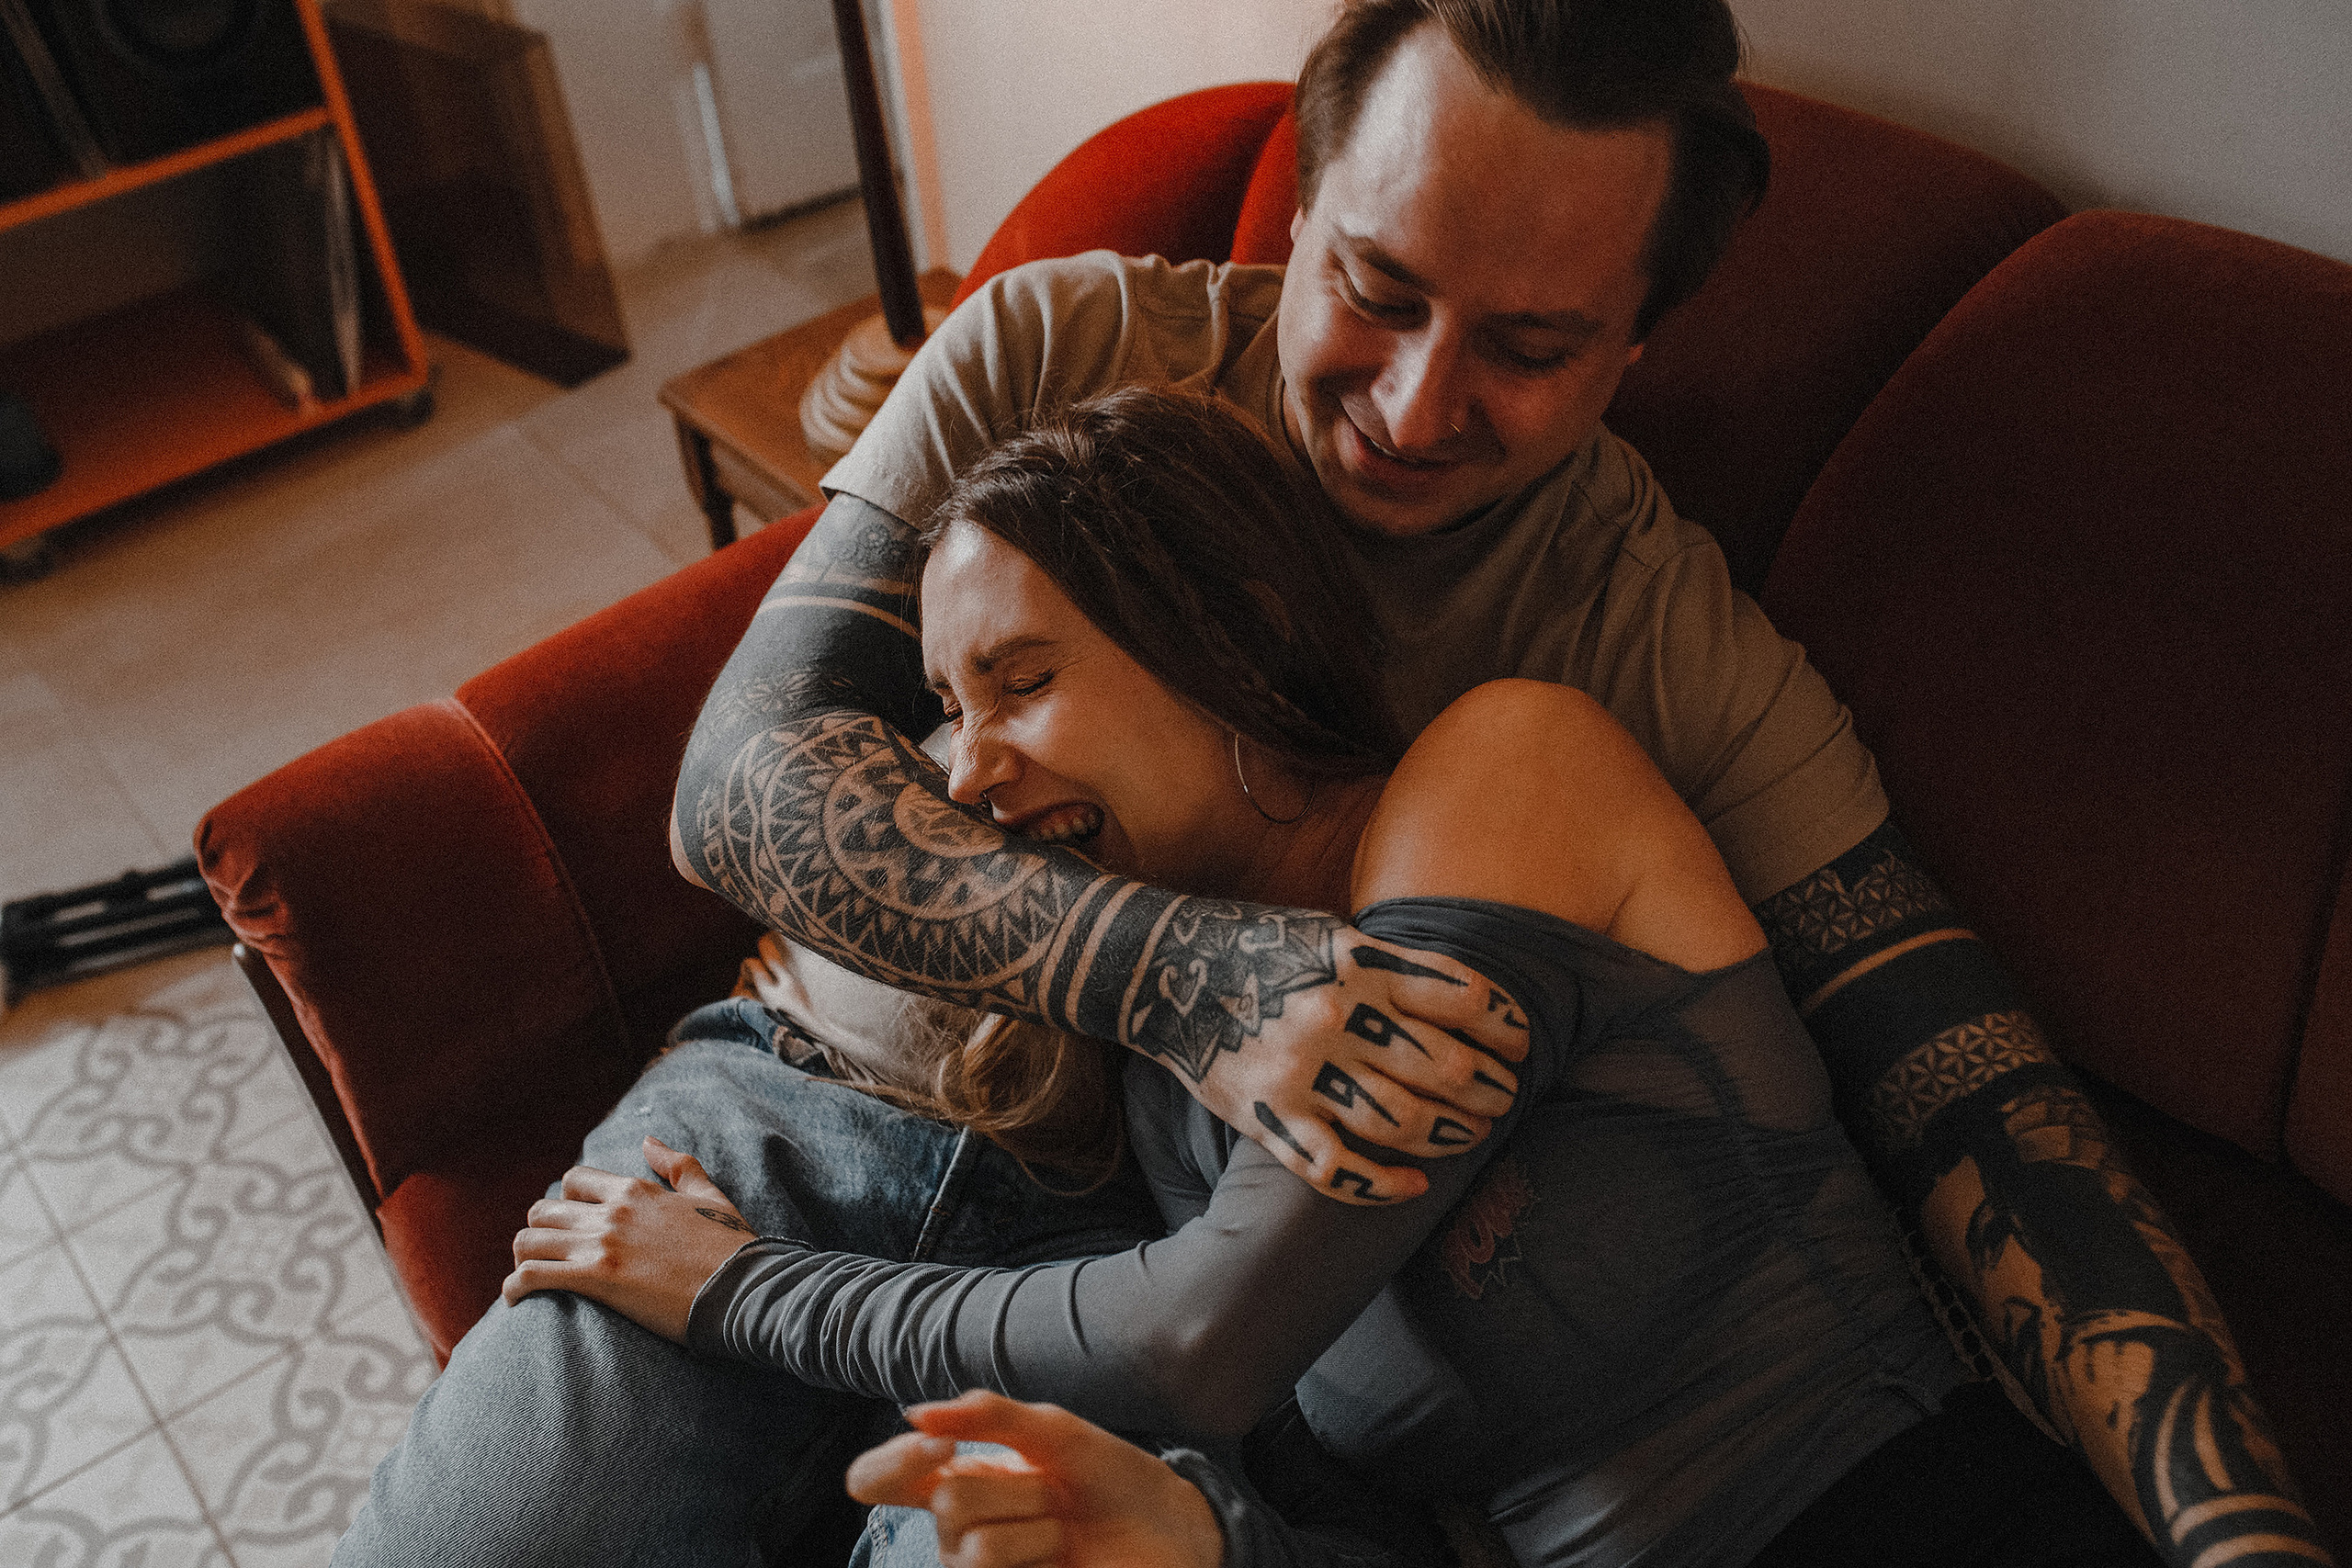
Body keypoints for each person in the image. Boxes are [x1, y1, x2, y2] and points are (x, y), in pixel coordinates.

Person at [665, 3, 2324, 1563]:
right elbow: (735, 776)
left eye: (1529, 343)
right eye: (1377, 288)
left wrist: (2242, 1532)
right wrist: (1195, 980)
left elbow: (1963, 1090)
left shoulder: (1632, 653)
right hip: (807, 1090)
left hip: (1133, 1258)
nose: (1413, 402)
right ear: (1298, 213)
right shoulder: (1066, 339)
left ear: (1634, 352)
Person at [527, 387, 2164, 1567]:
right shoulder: (1179, 1104)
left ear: (1224, 625)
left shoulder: (1503, 779)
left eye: (1019, 681)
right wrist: (1205, 1542)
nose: (961, 776)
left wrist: (734, 1287)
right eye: (946, 714)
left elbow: (1197, 1345)